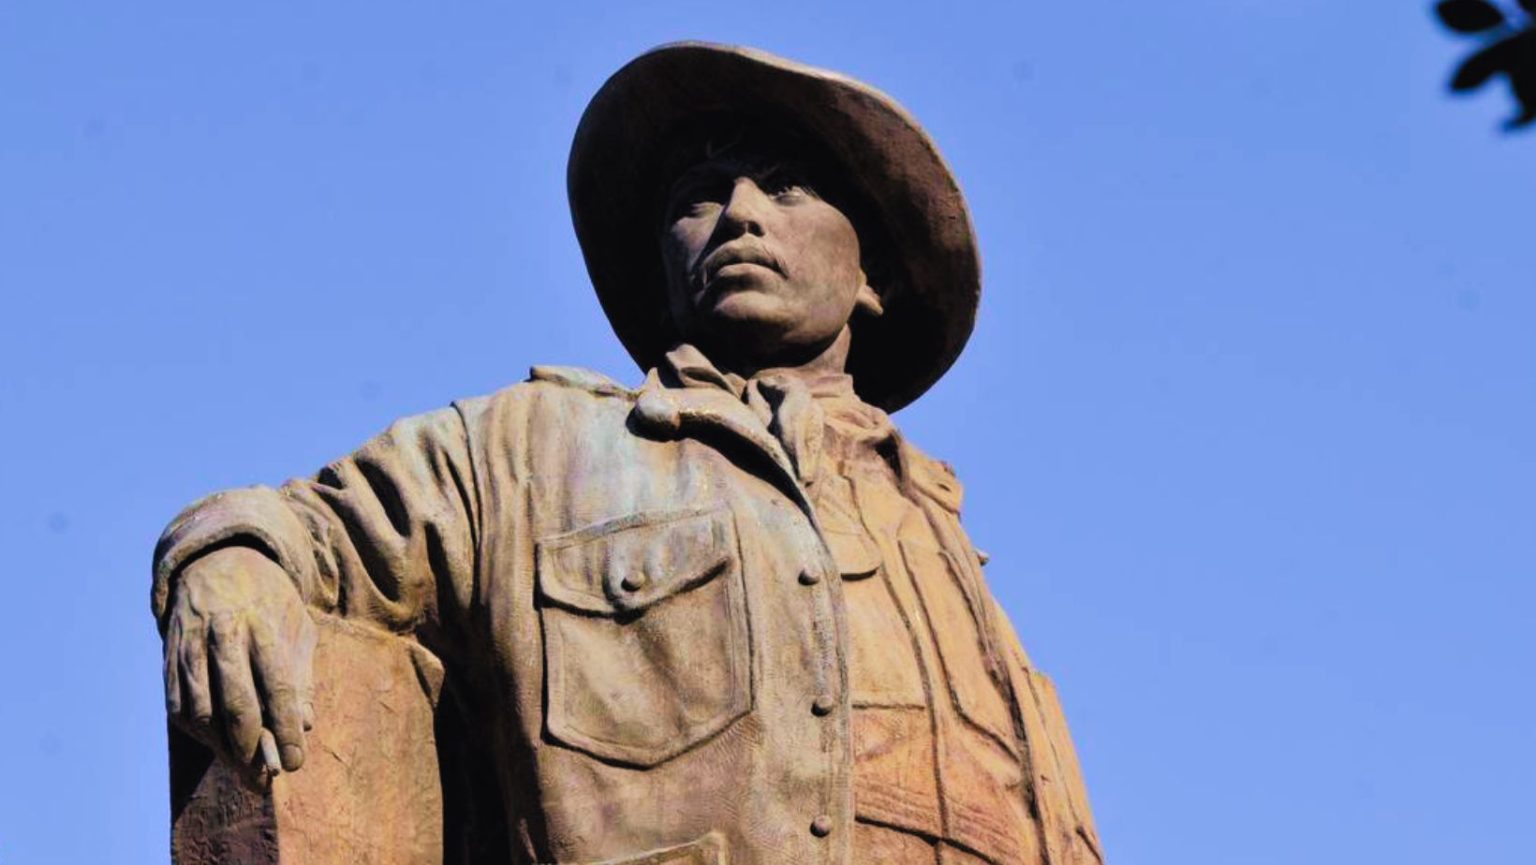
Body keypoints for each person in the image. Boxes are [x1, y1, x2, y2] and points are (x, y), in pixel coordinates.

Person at [152, 42, 1104, 865]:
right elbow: (296, 527)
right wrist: (226, 562)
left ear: (877, 277)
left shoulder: (941, 540)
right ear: (662, 268)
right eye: (698, 198)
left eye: (784, 186)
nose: (738, 214)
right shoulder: (527, 451)